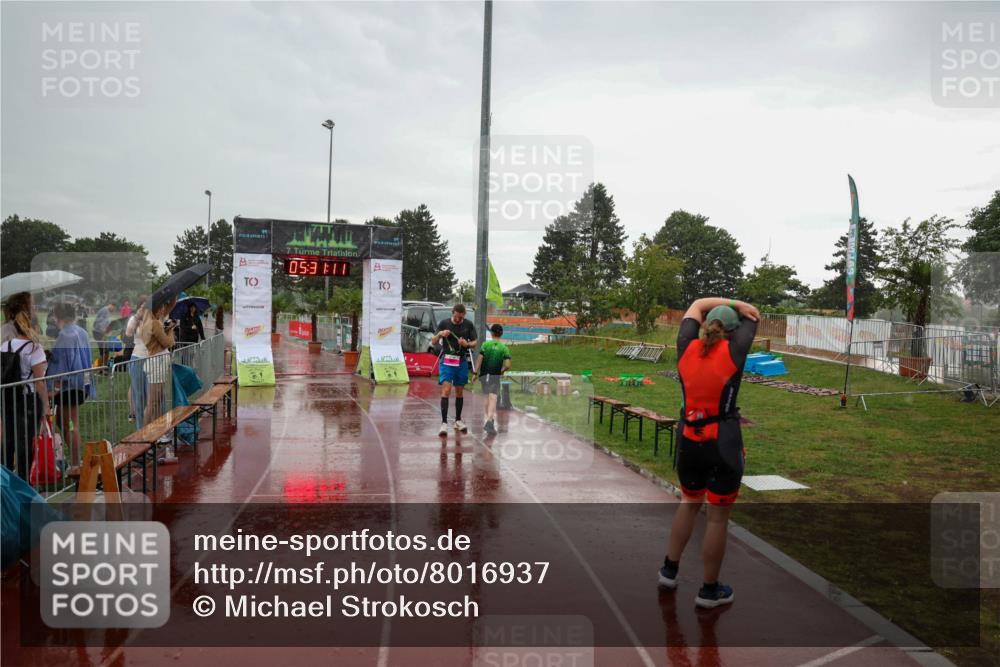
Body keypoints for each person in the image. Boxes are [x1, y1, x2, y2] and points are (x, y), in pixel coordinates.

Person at [658, 297, 759, 608]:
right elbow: (753, 315)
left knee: (688, 502)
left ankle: (669, 571)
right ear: (732, 331)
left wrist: (726, 302)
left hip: (689, 438)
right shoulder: (734, 350)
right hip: (723, 441)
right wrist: (739, 304)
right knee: (716, 519)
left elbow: (697, 304)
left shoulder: (685, 347)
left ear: (703, 326)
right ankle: (709, 590)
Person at [1, 292, 50, 479]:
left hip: (7, 398)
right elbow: (40, 382)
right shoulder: (33, 348)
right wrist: (46, 406)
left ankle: (5, 481)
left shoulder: (4, 346)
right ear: (32, 325)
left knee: (8, 441)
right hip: (28, 400)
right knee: (26, 442)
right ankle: (23, 481)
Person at [47, 303, 94, 467]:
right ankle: (77, 460)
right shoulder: (81, 332)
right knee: (62, 421)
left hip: (69, 386)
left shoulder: (65, 335)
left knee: (71, 425)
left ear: (57, 316)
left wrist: (55, 389)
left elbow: (63, 366)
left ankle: (76, 464)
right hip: (79, 383)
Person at [137, 299, 178, 459]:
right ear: (156, 309)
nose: (163, 310)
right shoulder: (153, 323)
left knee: (157, 399)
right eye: (161, 308)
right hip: (156, 364)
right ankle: (146, 436)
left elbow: (160, 340)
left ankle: (153, 432)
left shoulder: (151, 322)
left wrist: (166, 328)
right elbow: (168, 342)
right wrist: (172, 329)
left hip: (157, 363)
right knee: (153, 402)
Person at [432, 303, 477, 435]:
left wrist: (467, 344)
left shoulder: (468, 324)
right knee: (446, 390)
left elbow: (475, 342)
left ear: (464, 315)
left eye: (461, 318)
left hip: (461, 361)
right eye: (456, 317)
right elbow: (434, 341)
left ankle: (458, 421)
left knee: (459, 392)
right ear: (453, 313)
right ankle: (444, 423)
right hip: (447, 361)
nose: (458, 320)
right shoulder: (444, 323)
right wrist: (440, 334)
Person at [473, 323, 511, 435]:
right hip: (495, 375)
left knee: (486, 397)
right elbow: (508, 364)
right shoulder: (504, 348)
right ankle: (490, 421)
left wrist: (475, 372)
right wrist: (502, 370)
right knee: (493, 397)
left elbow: (479, 359)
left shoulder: (485, 345)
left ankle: (489, 419)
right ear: (501, 334)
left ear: (491, 333)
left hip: (484, 375)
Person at [126, 300, 149, 425]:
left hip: (152, 359)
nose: (144, 310)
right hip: (137, 358)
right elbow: (128, 332)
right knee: (139, 396)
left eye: (146, 307)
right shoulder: (134, 319)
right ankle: (140, 429)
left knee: (151, 397)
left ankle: (153, 429)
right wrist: (137, 316)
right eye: (142, 307)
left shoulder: (153, 319)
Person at [91, 300, 116, 366]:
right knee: (105, 350)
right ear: (111, 305)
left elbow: (106, 323)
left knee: (104, 350)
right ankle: (102, 367)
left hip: (100, 333)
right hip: (98, 333)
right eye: (114, 308)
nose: (114, 310)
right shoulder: (104, 311)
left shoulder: (107, 311)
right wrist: (105, 332)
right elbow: (99, 324)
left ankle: (103, 366)